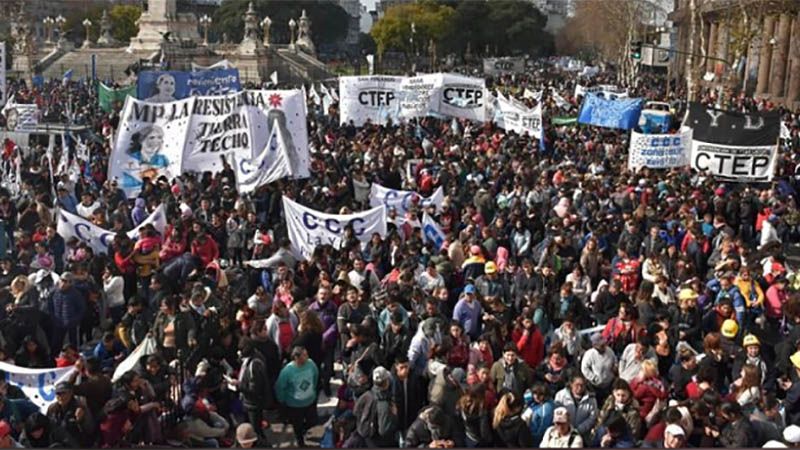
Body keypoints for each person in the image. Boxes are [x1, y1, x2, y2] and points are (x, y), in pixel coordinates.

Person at [274, 346, 318, 447]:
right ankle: (300, 442)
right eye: (304, 355)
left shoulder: (311, 364)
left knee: (313, 421)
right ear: (296, 357)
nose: (307, 357)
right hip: (295, 405)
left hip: (310, 400)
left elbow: (315, 376)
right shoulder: (287, 371)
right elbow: (280, 387)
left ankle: (303, 429)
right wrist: (282, 399)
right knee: (297, 425)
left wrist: (313, 390)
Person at [352, 366, 399, 447]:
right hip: (380, 443)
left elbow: (355, 411)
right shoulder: (384, 404)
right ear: (386, 382)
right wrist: (394, 416)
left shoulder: (366, 395)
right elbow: (384, 430)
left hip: (366, 439)